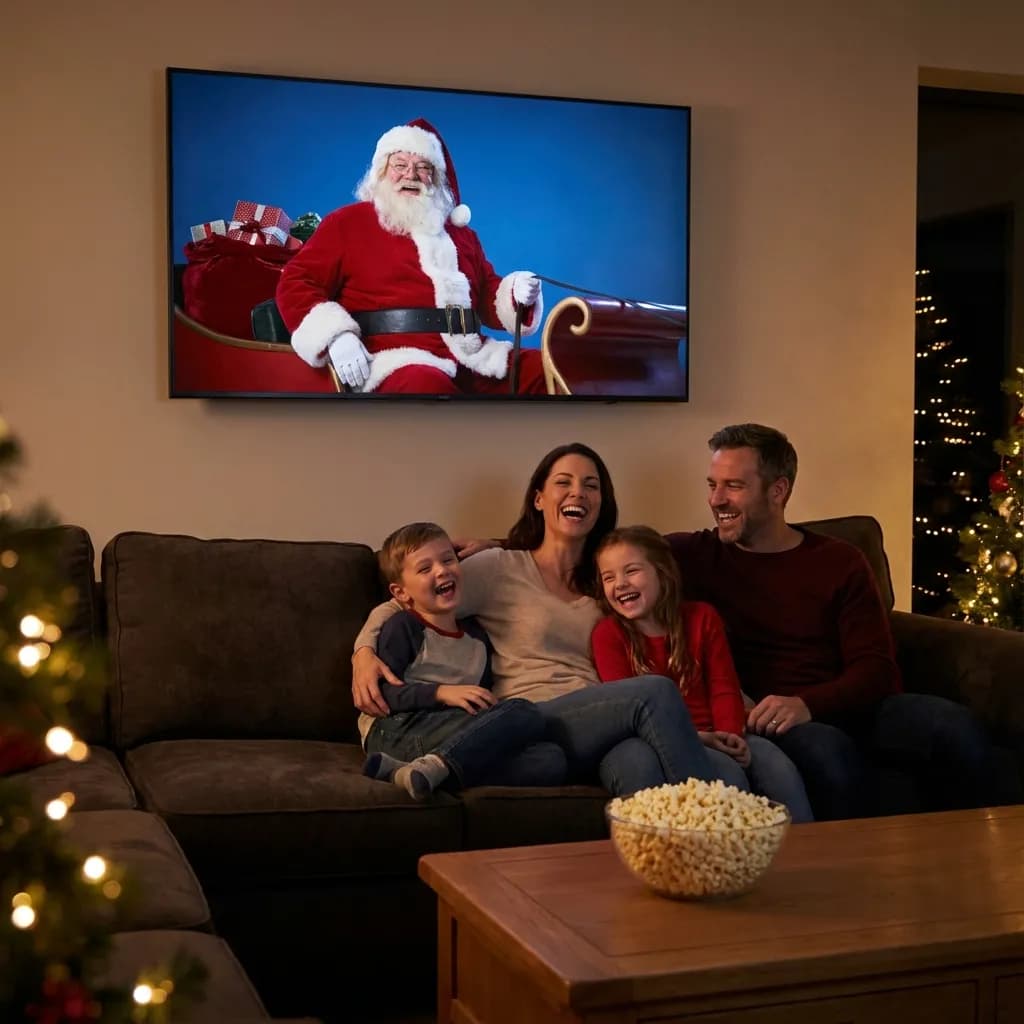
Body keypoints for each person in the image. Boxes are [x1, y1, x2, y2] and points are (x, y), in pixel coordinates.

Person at [667, 422, 998, 820]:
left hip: (848, 706)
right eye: (712, 485)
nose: (716, 499)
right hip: (770, 720)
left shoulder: (838, 561)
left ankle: (978, 866)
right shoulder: (695, 555)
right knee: (828, 753)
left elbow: (878, 670)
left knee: (953, 727)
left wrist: (809, 703)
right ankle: (850, 878)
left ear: (778, 490)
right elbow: (617, 558)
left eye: (733, 486)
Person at [352, 443, 717, 796]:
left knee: (637, 762)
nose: (578, 493)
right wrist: (364, 652)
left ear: (601, 503)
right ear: (539, 499)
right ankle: (721, 827)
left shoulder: (612, 578)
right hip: (526, 719)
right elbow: (404, 604)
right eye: (564, 482)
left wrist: (720, 712)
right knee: (654, 691)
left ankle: (674, 857)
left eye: (591, 485)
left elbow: (662, 643)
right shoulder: (499, 567)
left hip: (603, 722)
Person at [276, 118, 547, 395]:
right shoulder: (347, 222)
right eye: (400, 165)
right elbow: (297, 281)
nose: (411, 175)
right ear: (381, 172)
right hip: (395, 360)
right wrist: (335, 336)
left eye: (423, 167)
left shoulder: (462, 236)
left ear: (436, 178)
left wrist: (516, 294)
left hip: (472, 359)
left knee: (545, 371)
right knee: (426, 387)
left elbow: (488, 297)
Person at [592, 525, 814, 823]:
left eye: (631, 571)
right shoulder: (608, 634)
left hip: (722, 729)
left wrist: (731, 736)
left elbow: (723, 686)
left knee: (779, 769)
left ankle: (805, 854)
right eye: (609, 577)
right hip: (665, 739)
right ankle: (732, 859)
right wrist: (702, 740)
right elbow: (627, 708)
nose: (620, 584)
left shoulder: (701, 618)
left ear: (662, 573)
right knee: (727, 776)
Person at [360, 522, 566, 799]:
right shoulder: (403, 627)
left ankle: (412, 773)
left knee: (551, 759)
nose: (442, 570)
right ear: (401, 593)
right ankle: (438, 765)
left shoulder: (477, 637)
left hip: (450, 734)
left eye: (448, 560)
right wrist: (442, 693)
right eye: (425, 568)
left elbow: (479, 703)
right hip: (395, 731)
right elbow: (383, 693)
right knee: (523, 711)